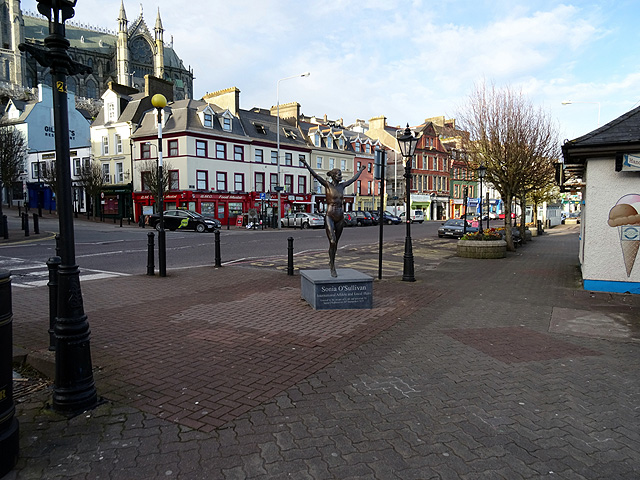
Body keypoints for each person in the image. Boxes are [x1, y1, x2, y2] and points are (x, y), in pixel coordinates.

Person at [301, 159, 365, 277]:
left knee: (336, 244)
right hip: (330, 215)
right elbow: (315, 175)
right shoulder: (327, 185)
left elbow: (353, 179)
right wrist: (306, 164)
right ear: (334, 176)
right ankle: (332, 266)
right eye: (339, 175)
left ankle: (332, 261)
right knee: (332, 240)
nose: (341, 177)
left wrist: (360, 170)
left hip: (340, 216)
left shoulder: (342, 186)